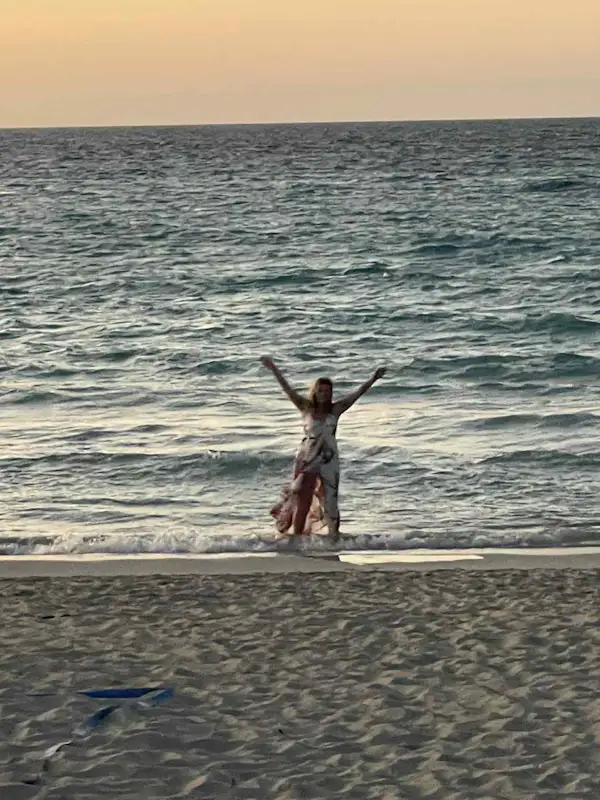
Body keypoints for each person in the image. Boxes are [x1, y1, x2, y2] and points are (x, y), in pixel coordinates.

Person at [260, 357, 387, 540]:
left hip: (329, 459)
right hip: (307, 459)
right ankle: (296, 537)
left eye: (327, 391)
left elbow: (357, 393)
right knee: (301, 497)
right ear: (315, 391)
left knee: (330, 499)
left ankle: (334, 537)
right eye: (320, 390)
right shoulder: (305, 407)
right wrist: (273, 369)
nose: (324, 394)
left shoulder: (336, 410)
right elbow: (287, 389)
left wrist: (373, 379)